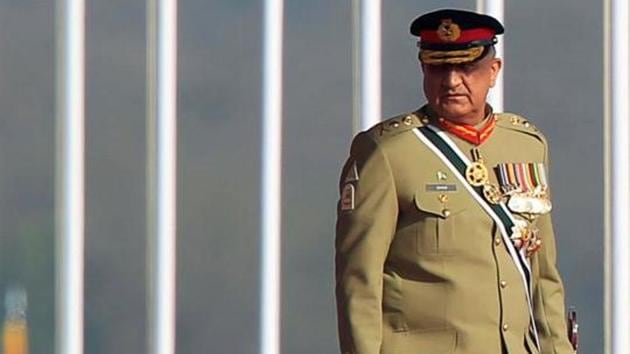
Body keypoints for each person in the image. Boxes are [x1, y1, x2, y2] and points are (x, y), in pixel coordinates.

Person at [335, 8, 574, 354]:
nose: (451, 81)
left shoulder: (526, 144)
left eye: (466, 68)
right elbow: (359, 281)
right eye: (438, 67)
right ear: (423, 69)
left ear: (493, 71)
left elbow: (542, 273)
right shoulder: (388, 152)